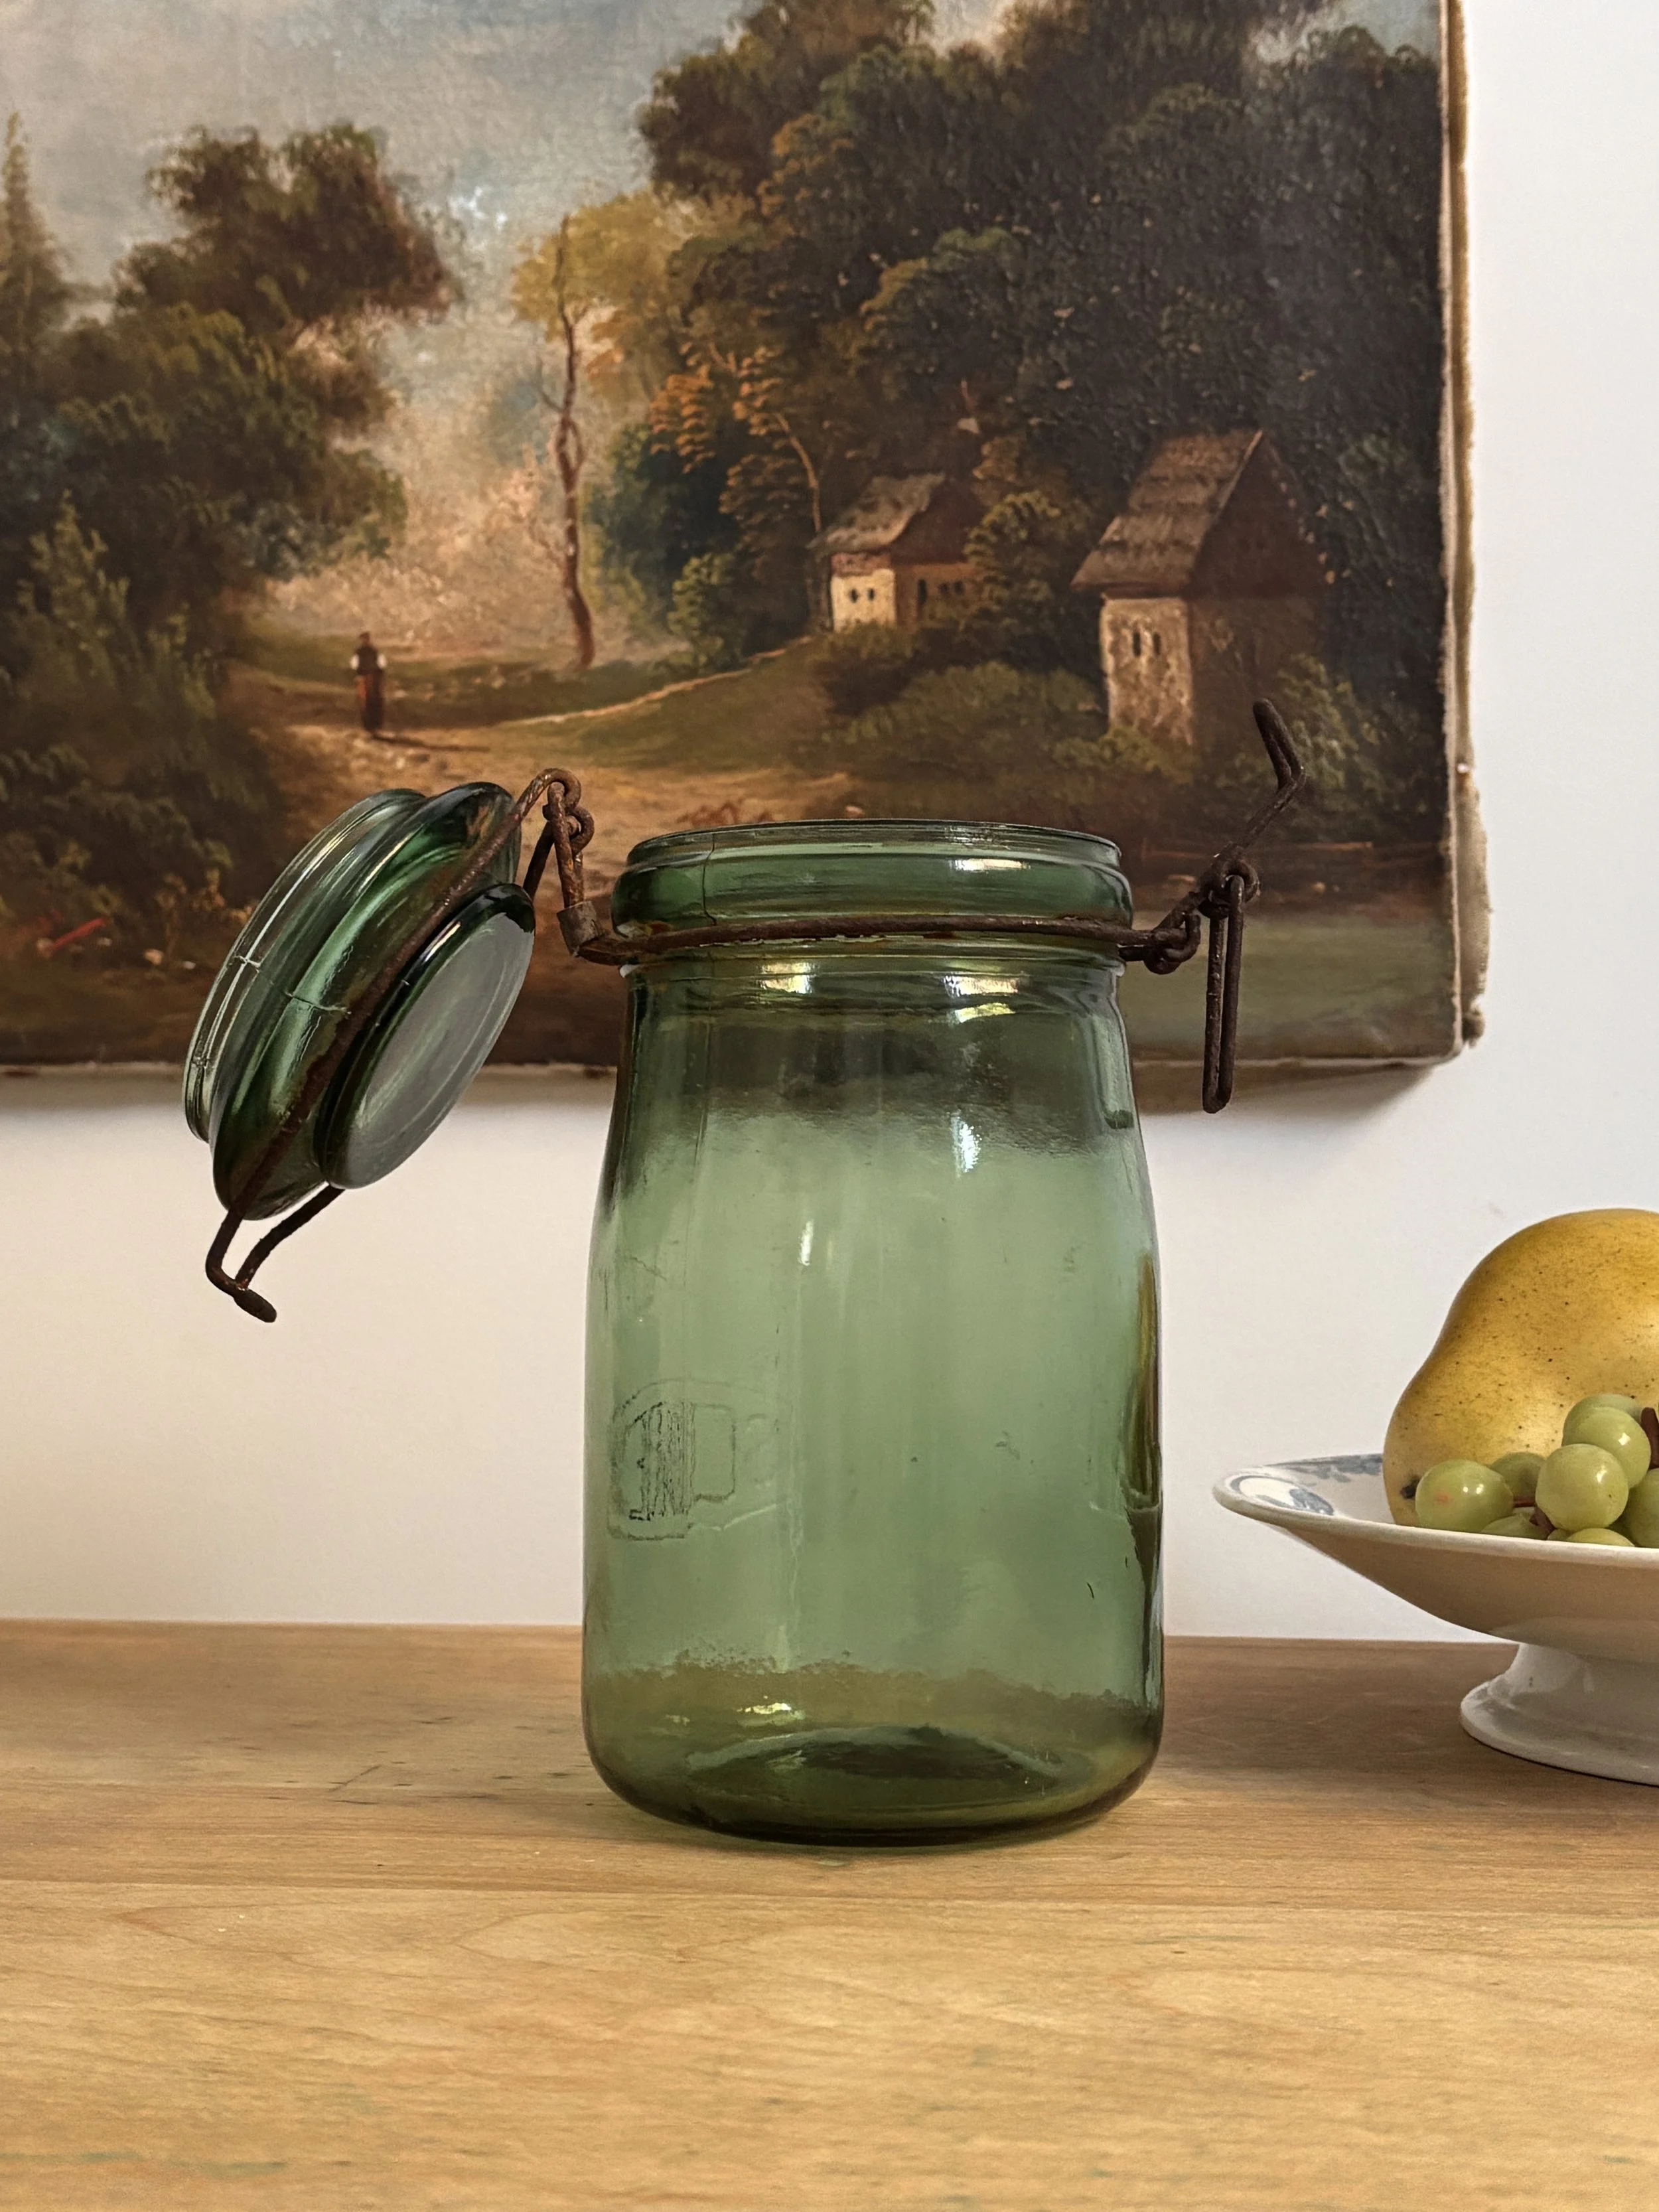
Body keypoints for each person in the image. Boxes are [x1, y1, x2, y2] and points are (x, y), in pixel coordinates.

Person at [351, 631, 388, 734]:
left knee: (374, 697)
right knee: (367, 698)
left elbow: (379, 665)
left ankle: (374, 724)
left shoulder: (370, 651)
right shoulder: (363, 651)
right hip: (365, 676)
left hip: (370, 676)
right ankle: (370, 724)